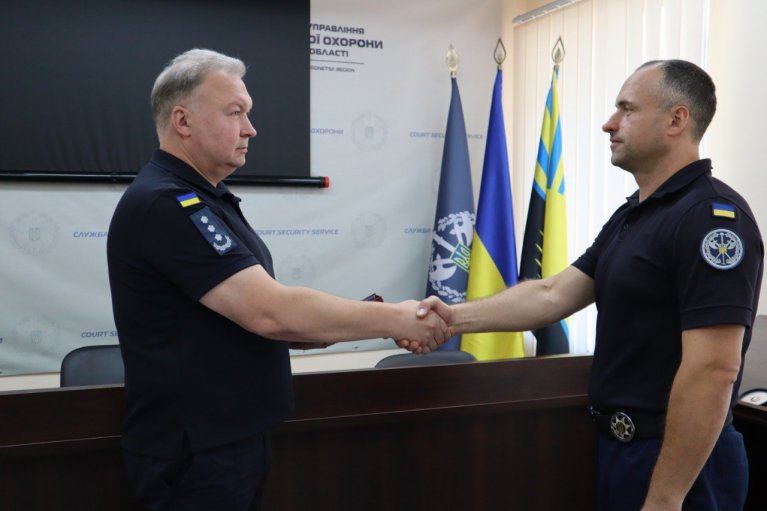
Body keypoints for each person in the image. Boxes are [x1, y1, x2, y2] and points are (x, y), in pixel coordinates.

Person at [107, 48, 448, 511]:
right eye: (235, 113)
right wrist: (396, 318)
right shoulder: (166, 203)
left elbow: (256, 321)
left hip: (226, 442)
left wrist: (350, 324)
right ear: (182, 121)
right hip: (194, 454)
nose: (251, 129)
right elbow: (269, 313)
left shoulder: (206, 199)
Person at [416, 59, 763, 510]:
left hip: (682, 464)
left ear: (676, 120)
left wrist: (665, 498)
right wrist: (452, 318)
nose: (609, 123)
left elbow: (714, 369)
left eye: (627, 109)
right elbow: (553, 294)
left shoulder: (711, 220)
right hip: (623, 450)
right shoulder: (636, 214)